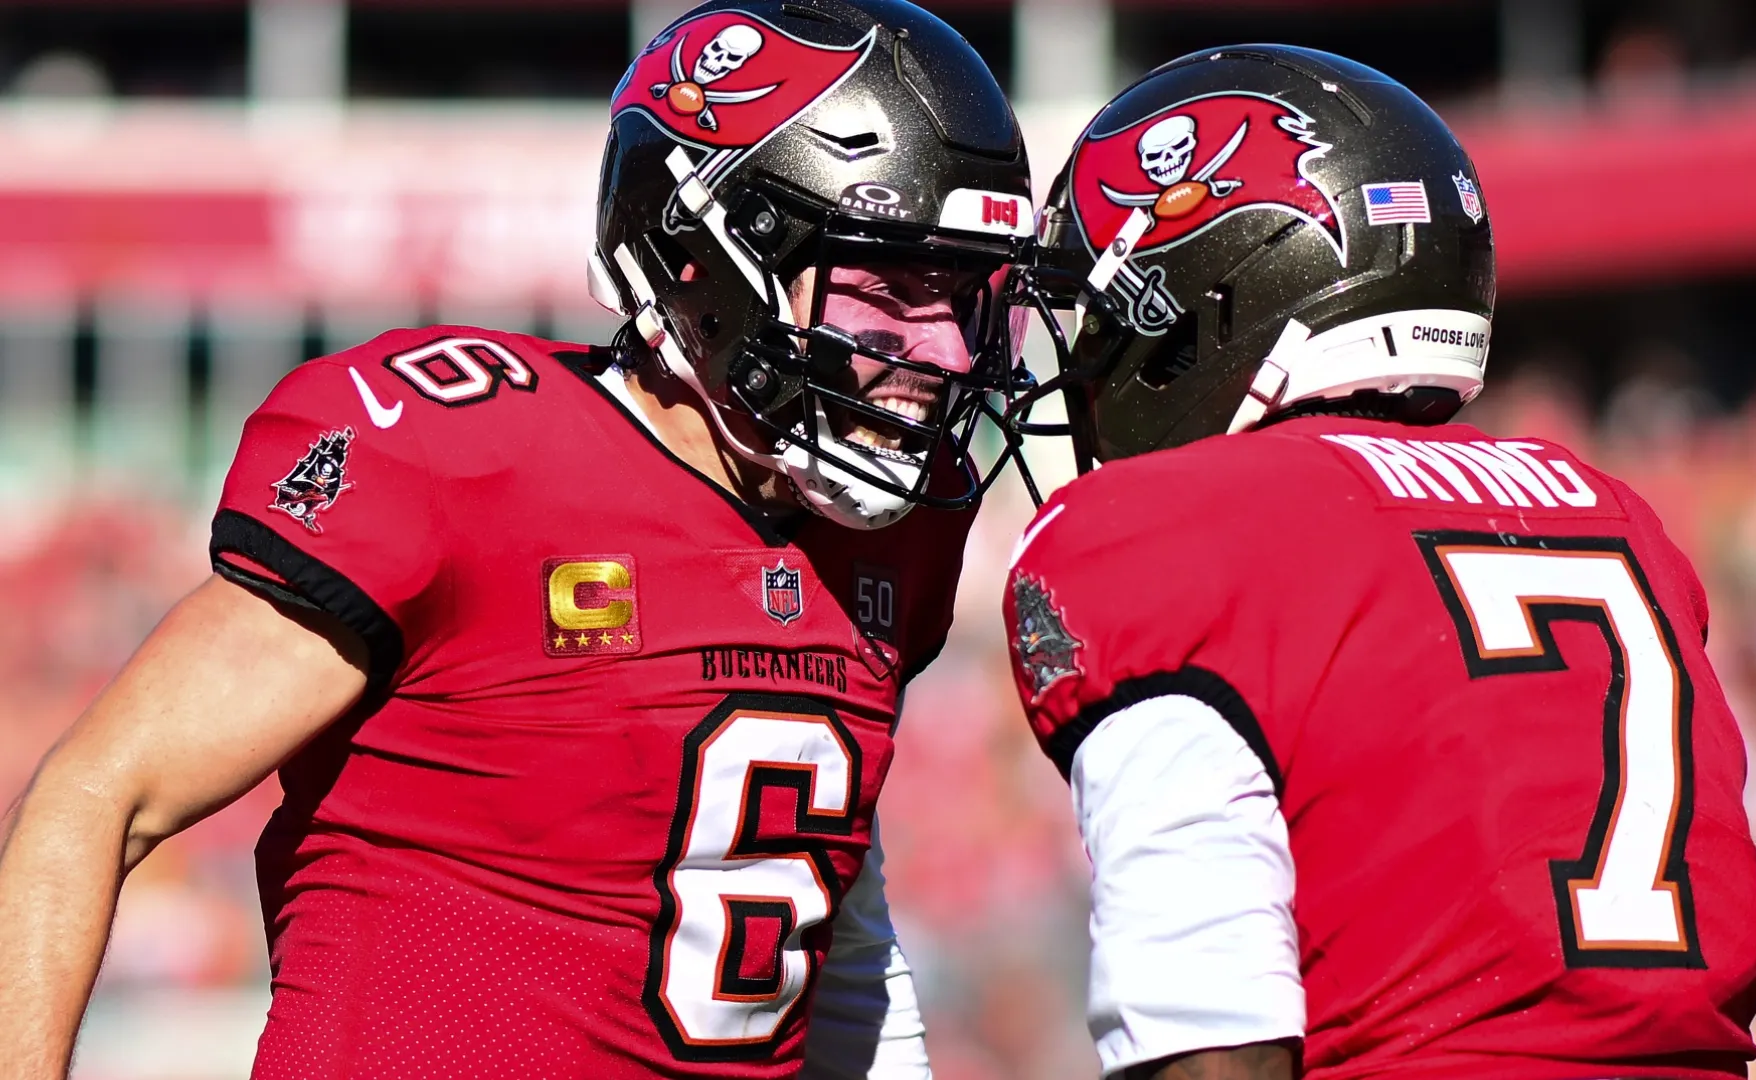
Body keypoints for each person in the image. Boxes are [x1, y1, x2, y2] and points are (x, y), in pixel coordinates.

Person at [0, 2, 1035, 1077]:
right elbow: (91, 801)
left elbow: (827, 926)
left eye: (964, 298)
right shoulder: (466, 456)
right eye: (887, 292)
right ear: (703, 261)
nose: (941, 351)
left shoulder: (895, 539)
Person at [1000, 46, 1756, 1079]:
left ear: (1216, 297)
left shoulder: (1180, 530)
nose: (1089, 373)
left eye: (1109, 326)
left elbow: (1205, 1034)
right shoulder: (1612, 511)